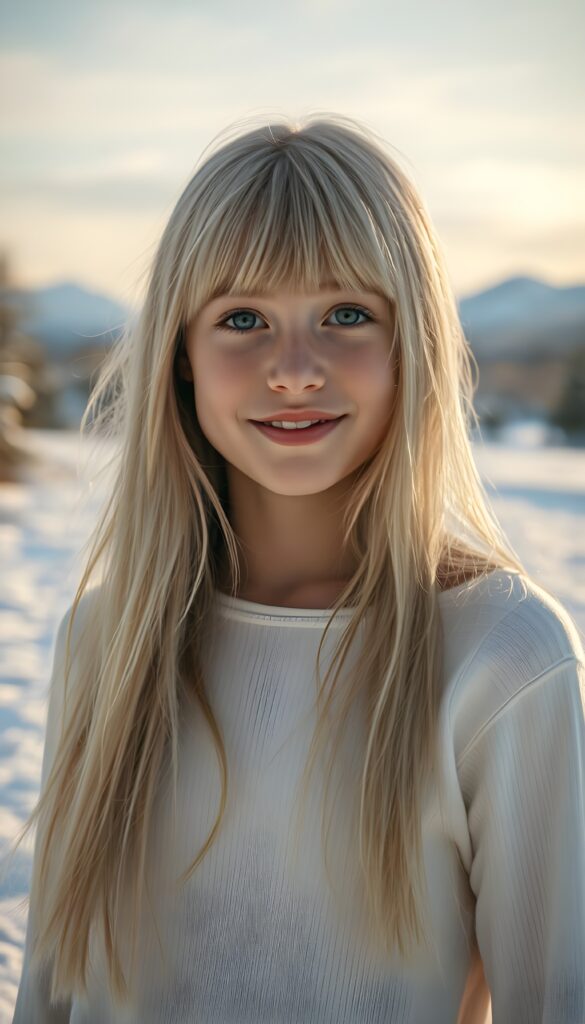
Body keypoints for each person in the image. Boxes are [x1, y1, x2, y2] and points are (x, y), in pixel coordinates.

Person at [7, 113, 585, 1023]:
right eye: (241, 318)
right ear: (182, 357)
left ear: (413, 348)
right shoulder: (106, 637)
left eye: (346, 314)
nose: (293, 369)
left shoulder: (501, 657)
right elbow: (50, 989)